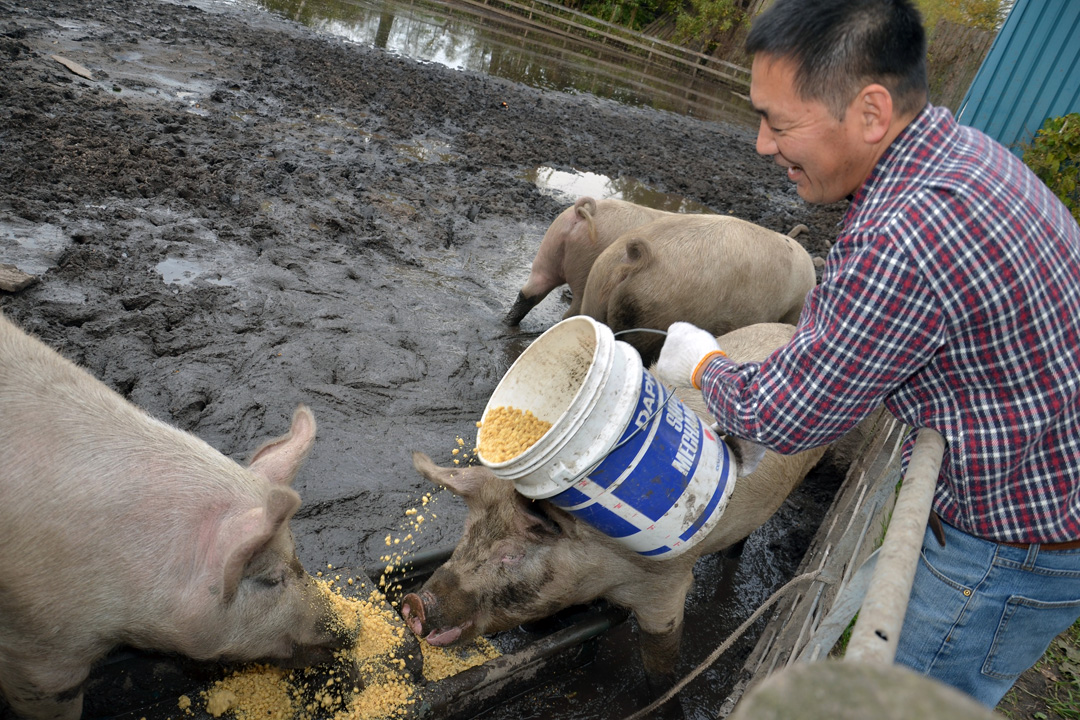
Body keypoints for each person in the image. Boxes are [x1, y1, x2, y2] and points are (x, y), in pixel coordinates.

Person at [655, 0, 1080, 708]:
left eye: (779, 122)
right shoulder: (963, 155)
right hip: (1047, 492)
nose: (763, 144)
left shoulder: (904, 235)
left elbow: (788, 415)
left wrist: (701, 365)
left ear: (872, 113)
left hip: (1009, 543)